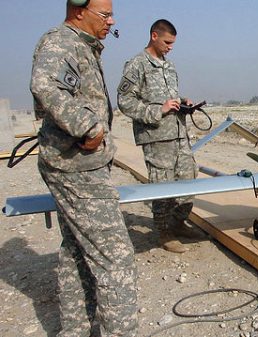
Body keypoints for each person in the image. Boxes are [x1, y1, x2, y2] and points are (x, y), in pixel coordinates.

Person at [30, 0, 137, 336]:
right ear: (78, 12)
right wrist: (88, 127)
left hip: (79, 164)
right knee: (115, 259)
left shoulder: (82, 45)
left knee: (77, 251)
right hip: (77, 167)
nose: (112, 21)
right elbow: (46, 86)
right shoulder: (60, 42)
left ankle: (74, 330)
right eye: (104, 15)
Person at [117, 19, 203, 253]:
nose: (170, 47)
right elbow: (125, 102)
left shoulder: (169, 66)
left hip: (178, 133)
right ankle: (164, 232)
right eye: (167, 42)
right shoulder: (136, 65)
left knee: (189, 178)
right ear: (154, 36)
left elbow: (167, 96)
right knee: (162, 185)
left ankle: (178, 223)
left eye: (173, 43)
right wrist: (159, 110)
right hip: (156, 137)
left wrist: (182, 101)